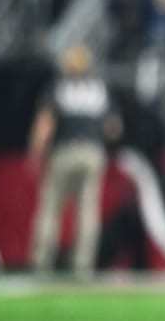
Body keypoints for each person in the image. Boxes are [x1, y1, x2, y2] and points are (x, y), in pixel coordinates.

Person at [27, 45, 122, 279]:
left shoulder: (58, 87)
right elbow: (114, 129)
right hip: (92, 151)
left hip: (65, 150)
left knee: (50, 208)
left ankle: (41, 263)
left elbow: (45, 124)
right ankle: (83, 266)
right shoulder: (99, 89)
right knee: (87, 211)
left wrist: (35, 152)